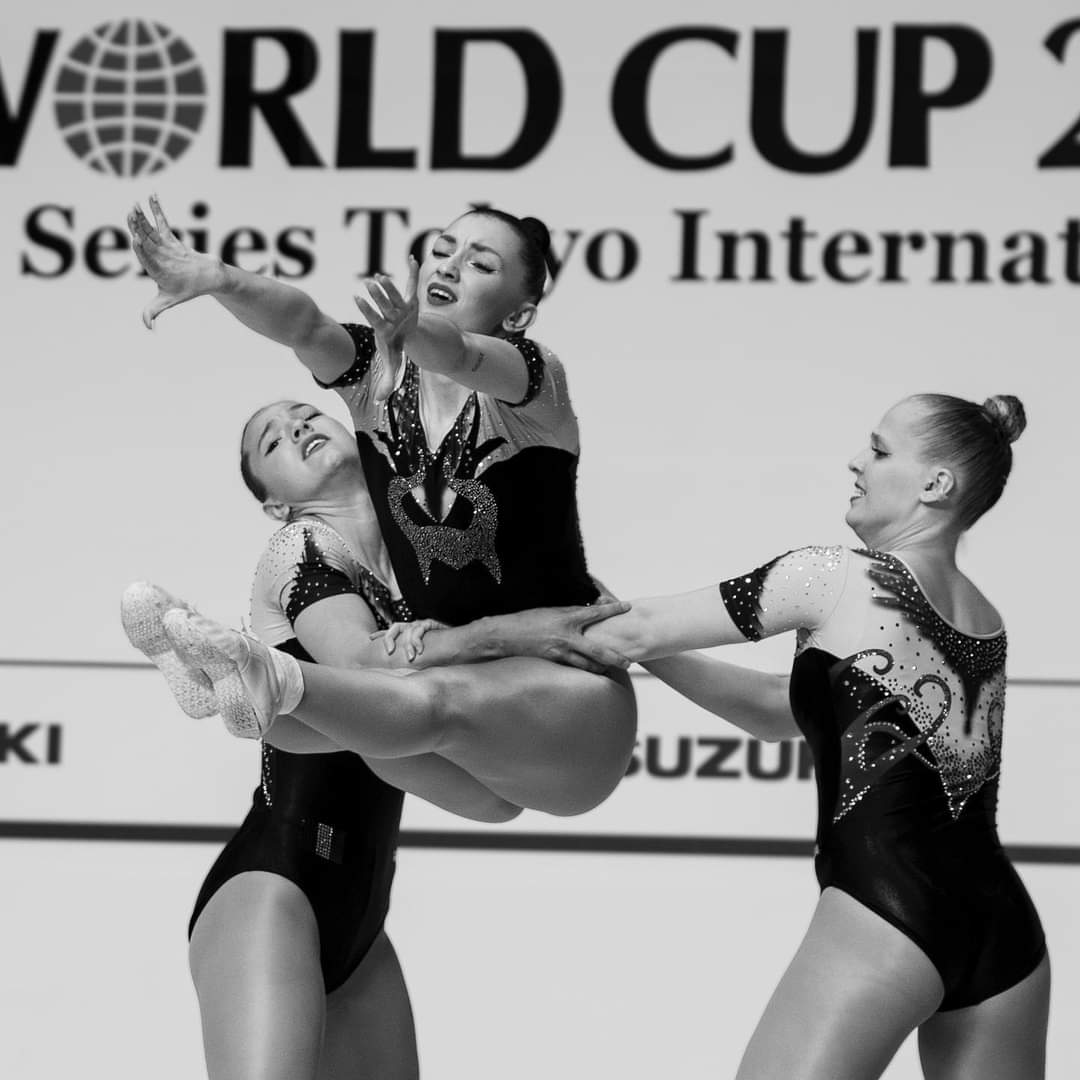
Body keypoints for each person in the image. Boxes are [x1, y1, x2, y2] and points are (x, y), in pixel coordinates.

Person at [168, 392, 1048, 1079]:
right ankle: (270, 687)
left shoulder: (830, 574)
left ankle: (272, 686)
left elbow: (628, 633)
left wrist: (584, 611)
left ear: (935, 485)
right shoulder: (984, 619)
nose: (857, 461)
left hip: (884, 914)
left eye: (881, 451)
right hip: (1004, 932)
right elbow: (791, 715)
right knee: (444, 746)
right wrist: (629, 649)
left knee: (447, 742)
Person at [122, 400, 631, 1080]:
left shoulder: (424, 543)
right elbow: (364, 663)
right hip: (271, 888)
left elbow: (574, 601)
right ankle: (246, 691)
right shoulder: (300, 547)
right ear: (275, 504)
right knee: (394, 710)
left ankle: (230, 694)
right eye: (272, 441)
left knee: (494, 801)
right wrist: (509, 634)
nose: (297, 428)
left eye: (306, 414)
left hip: (361, 921)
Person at [127, 195, 637, 816]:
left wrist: (416, 332)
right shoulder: (377, 375)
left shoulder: (532, 380)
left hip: (572, 700)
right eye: (441, 251)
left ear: (521, 312)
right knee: (366, 731)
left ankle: (270, 674)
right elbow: (304, 325)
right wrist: (220, 280)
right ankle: (218, 677)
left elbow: (466, 355)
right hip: (475, 715)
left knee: (414, 697)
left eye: (479, 264)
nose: (447, 268)